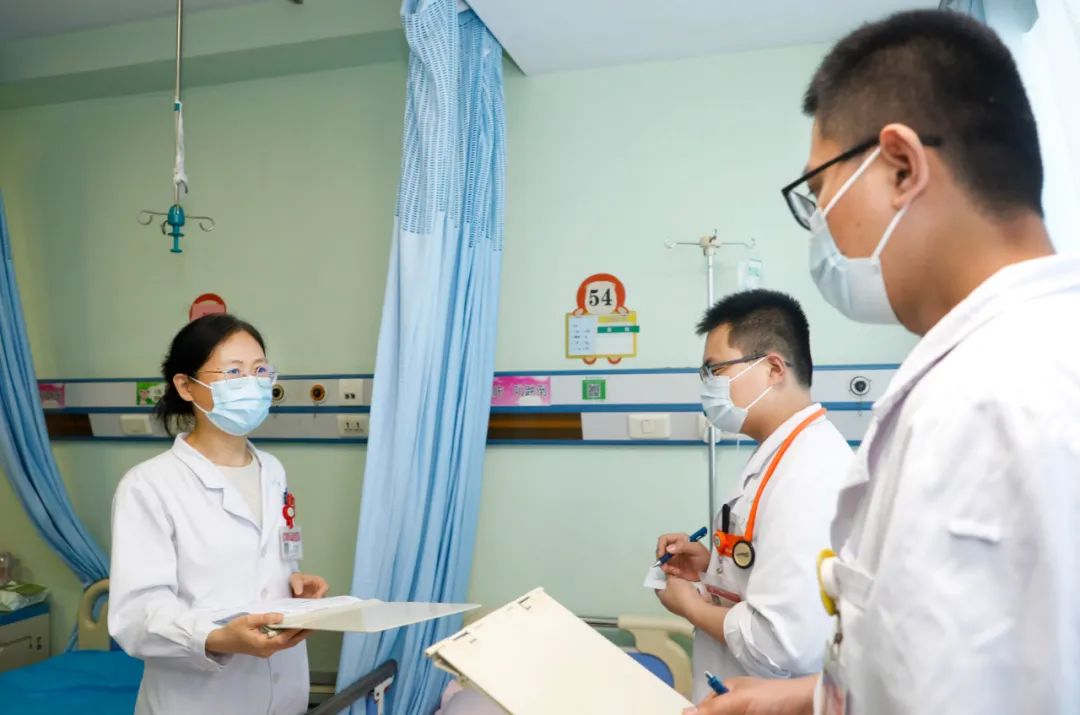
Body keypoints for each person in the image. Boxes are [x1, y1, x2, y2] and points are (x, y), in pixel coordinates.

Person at [690, 9, 1079, 715]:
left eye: (819, 194)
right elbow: (920, 666)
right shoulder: (980, 370)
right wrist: (807, 699)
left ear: (901, 166)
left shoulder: (1006, 394)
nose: (820, 228)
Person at [109, 314, 329, 715]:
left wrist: (292, 582)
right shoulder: (149, 485)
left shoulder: (272, 470)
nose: (252, 383)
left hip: (284, 694)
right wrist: (220, 638)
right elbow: (137, 617)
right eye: (233, 372)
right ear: (185, 386)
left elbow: (263, 558)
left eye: (259, 370)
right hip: (198, 700)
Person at [655, 289, 852, 702]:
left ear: (773, 368)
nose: (708, 385)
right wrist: (712, 569)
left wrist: (689, 606)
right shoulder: (782, 452)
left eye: (715, 370)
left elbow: (779, 645)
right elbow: (774, 574)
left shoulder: (809, 472)